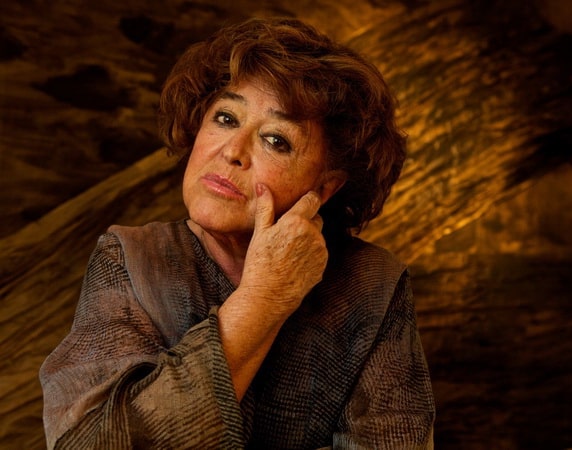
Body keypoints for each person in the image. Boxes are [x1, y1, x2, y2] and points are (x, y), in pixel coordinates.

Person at [40, 17, 435, 449]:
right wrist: (263, 300)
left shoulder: (373, 284)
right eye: (226, 118)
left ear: (325, 188)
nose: (232, 151)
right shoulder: (132, 258)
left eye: (276, 140)